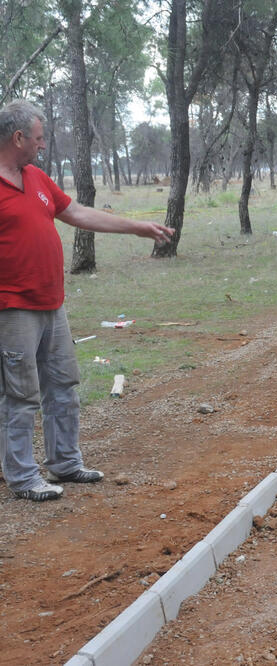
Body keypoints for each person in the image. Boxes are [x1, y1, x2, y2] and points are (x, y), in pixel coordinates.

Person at [0, 100, 173, 502]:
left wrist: (134, 228)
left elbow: (76, 212)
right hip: (12, 308)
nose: (43, 146)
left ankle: (64, 461)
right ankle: (24, 478)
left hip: (51, 304)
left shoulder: (37, 178)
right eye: (39, 138)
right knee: (21, 394)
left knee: (63, 384)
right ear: (18, 137)